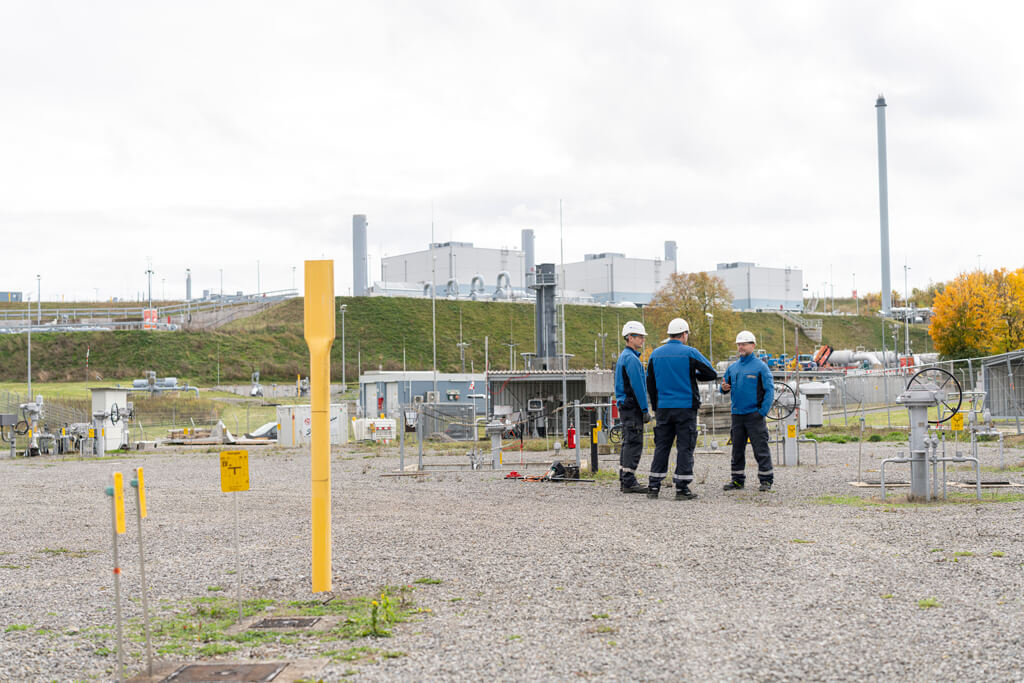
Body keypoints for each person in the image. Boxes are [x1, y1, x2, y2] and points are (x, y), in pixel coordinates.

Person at [645, 318, 717, 499]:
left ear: (670, 335)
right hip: (685, 408)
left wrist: (656, 406)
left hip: (663, 408)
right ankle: (682, 488)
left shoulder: (655, 355)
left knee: (662, 446)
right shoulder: (690, 353)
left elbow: (650, 384)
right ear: (684, 334)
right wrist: (693, 374)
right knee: (685, 447)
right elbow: (711, 373)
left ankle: (653, 487)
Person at [719, 330, 774, 491]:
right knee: (737, 450)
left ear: (753, 345)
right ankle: (737, 480)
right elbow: (723, 386)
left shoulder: (761, 367)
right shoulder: (733, 368)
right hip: (737, 415)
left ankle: (766, 480)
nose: (740, 347)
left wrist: (762, 412)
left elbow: (769, 390)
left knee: (760, 449)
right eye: (738, 344)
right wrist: (723, 388)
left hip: (754, 415)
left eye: (743, 344)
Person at [614, 320, 650, 493]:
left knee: (628, 442)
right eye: (639, 336)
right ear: (629, 337)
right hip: (632, 407)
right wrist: (645, 410)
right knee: (634, 443)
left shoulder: (624, 357)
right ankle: (629, 481)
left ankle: (625, 478)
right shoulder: (632, 359)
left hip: (625, 406)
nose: (642, 339)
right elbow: (638, 387)